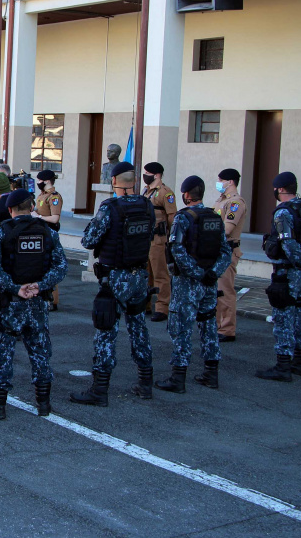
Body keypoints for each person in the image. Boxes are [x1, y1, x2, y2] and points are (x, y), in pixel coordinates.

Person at [0, 189, 68, 419]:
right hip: (37, 303)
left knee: (2, 352)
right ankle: (43, 404)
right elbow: (61, 267)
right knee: (40, 352)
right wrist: (40, 284)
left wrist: (16, 288)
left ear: (10, 210)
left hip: (10, 303)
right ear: (32, 208)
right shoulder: (47, 232)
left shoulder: (2, 232)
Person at [70, 162, 155, 407]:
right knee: (139, 327)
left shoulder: (110, 208)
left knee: (106, 331)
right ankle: (145, 382)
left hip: (115, 278)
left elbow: (89, 240)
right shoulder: (146, 205)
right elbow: (149, 237)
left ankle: (100, 389)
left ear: (114, 180)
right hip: (139, 276)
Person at [154, 176, 231, 393]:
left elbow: (176, 250)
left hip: (188, 283)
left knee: (181, 328)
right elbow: (225, 250)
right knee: (208, 327)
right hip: (208, 283)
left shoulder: (183, 218)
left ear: (186, 195)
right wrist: (212, 273)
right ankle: (211, 373)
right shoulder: (214, 217)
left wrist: (196, 273)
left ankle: (178, 378)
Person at [256, 171, 301, 381]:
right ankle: (300, 361)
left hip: (288, 272)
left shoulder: (282, 213)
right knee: (300, 315)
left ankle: (283, 365)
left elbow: (288, 243)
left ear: (281, 189)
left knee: (284, 318)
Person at [213, 168, 248, 342]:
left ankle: (227, 329)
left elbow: (227, 229)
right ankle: (218, 324)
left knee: (225, 290)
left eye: (221, 180)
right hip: (218, 250)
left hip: (227, 250)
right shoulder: (221, 200)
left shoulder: (236, 203)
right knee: (216, 290)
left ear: (230, 182)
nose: (219, 183)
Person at [142, 162, 177, 322]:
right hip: (145, 238)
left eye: (148, 172)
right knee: (145, 273)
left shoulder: (165, 193)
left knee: (160, 274)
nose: (145, 175)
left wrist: (171, 237)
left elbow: (171, 216)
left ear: (157, 175)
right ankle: (146, 304)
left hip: (158, 239)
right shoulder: (146, 191)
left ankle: (162, 308)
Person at [32, 169, 63, 311]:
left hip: (49, 233)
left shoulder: (54, 197)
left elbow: (55, 218)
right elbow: (40, 211)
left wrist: (38, 218)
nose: (38, 183)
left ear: (47, 181)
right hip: (40, 232)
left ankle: (53, 299)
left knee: (50, 266)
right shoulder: (42, 195)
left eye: (39, 181)